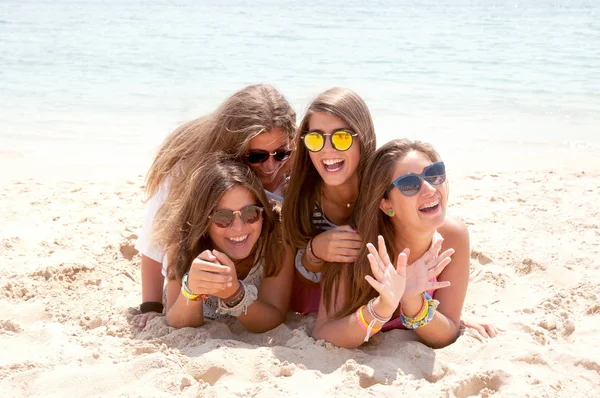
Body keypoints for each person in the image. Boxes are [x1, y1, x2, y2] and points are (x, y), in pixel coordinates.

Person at [134, 84, 296, 327]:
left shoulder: (293, 162)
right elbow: (154, 237)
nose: (271, 167)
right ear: (234, 148)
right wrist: (152, 306)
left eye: (280, 153)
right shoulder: (189, 170)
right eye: (256, 156)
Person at [314, 138, 478, 348]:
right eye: (409, 184)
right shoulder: (358, 245)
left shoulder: (454, 237)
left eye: (434, 173)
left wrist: (412, 299)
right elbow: (324, 332)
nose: (429, 189)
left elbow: (446, 333)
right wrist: (382, 306)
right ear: (386, 205)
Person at [156, 155, 294, 331]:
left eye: (250, 214)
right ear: (203, 222)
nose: (238, 228)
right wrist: (192, 290)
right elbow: (178, 324)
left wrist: (234, 294)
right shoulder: (183, 240)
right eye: (223, 218)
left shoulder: (277, 237)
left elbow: (273, 318)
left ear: (263, 213)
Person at [282, 87, 376, 315]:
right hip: (321, 306)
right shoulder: (300, 196)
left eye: (341, 137)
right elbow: (302, 287)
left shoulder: (381, 188)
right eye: (315, 139)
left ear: (362, 138)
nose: (327, 149)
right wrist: (315, 252)